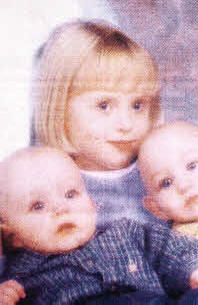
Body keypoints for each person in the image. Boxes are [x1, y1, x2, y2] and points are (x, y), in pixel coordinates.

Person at [0, 147, 198, 305]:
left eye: (71, 194)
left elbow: (172, 248)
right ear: (12, 234)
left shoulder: (126, 232)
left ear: (92, 204)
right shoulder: (18, 275)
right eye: (38, 206)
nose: (61, 208)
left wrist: (197, 268)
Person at [31, 19, 163, 229]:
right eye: (104, 106)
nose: (126, 124)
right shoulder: (41, 189)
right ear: (59, 109)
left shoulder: (162, 173)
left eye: (137, 105)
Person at [138, 120, 198, 289]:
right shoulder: (179, 241)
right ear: (156, 208)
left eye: (192, 166)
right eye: (166, 183)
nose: (184, 185)